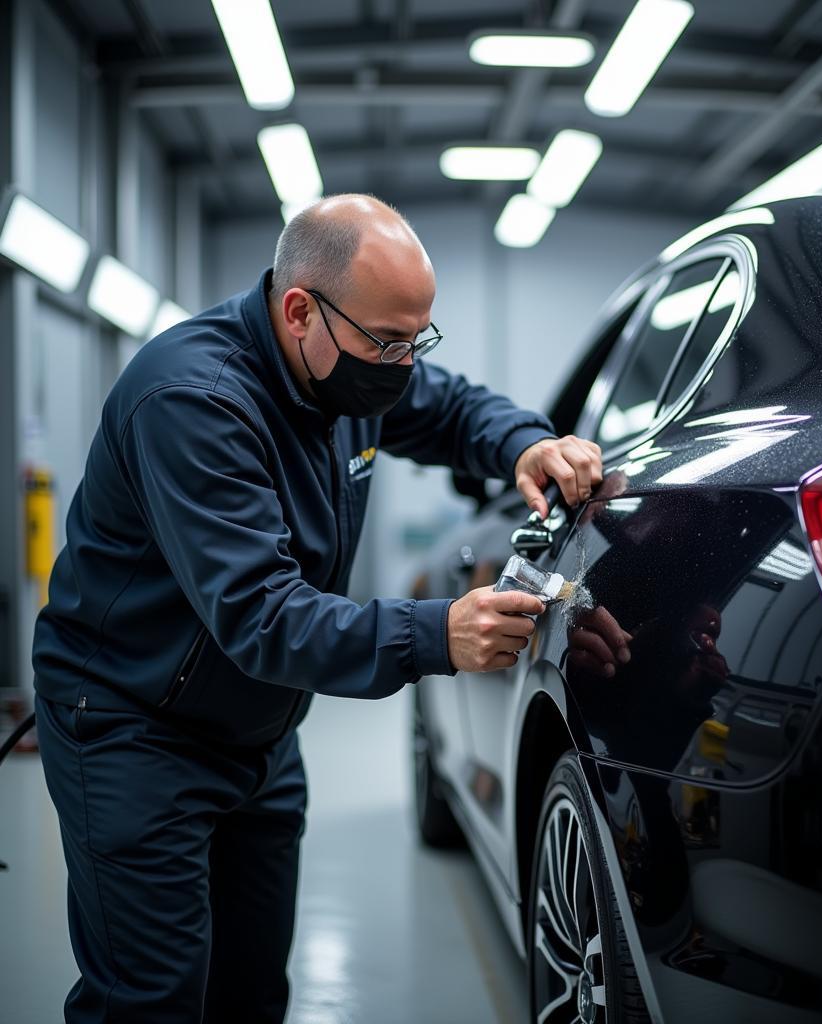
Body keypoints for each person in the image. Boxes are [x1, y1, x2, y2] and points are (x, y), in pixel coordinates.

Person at [31, 194, 603, 1023]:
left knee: (252, 992)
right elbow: (264, 617)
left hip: (259, 732)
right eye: (388, 342)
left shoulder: (348, 365)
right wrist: (437, 632)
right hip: (134, 726)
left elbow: (446, 407)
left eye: (418, 339)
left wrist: (524, 440)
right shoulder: (195, 402)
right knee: (149, 1001)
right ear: (299, 311)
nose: (404, 364)